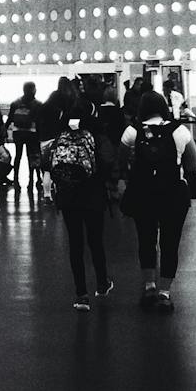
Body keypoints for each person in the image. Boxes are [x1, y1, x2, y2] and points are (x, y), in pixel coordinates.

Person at [120, 91, 196, 314]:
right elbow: (192, 165)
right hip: (173, 194)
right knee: (170, 242)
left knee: (146, 240)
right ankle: (165, 293)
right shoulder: (179, 131)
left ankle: (149, 287)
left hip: (142, 193)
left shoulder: (132, 131)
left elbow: (121, 163)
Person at [51, 99, 114, 312]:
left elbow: (49, 163)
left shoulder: (62, 134)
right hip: (93, 194)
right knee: (95, 241)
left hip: (68, 197)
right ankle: (102, 284)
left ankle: (81, 295)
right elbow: (107, 163)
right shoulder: (97, 134)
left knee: (75, 243)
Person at [7, 82, 43, 191]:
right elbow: (40, 121)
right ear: (33, 90)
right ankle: (32, 180)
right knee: (32, 156)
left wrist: (4, 129)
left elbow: (10, 118)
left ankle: (16, 179)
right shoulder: (38, 104)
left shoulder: (15, 103)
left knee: (18, 156)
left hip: (18, 133)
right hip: (32, 133)